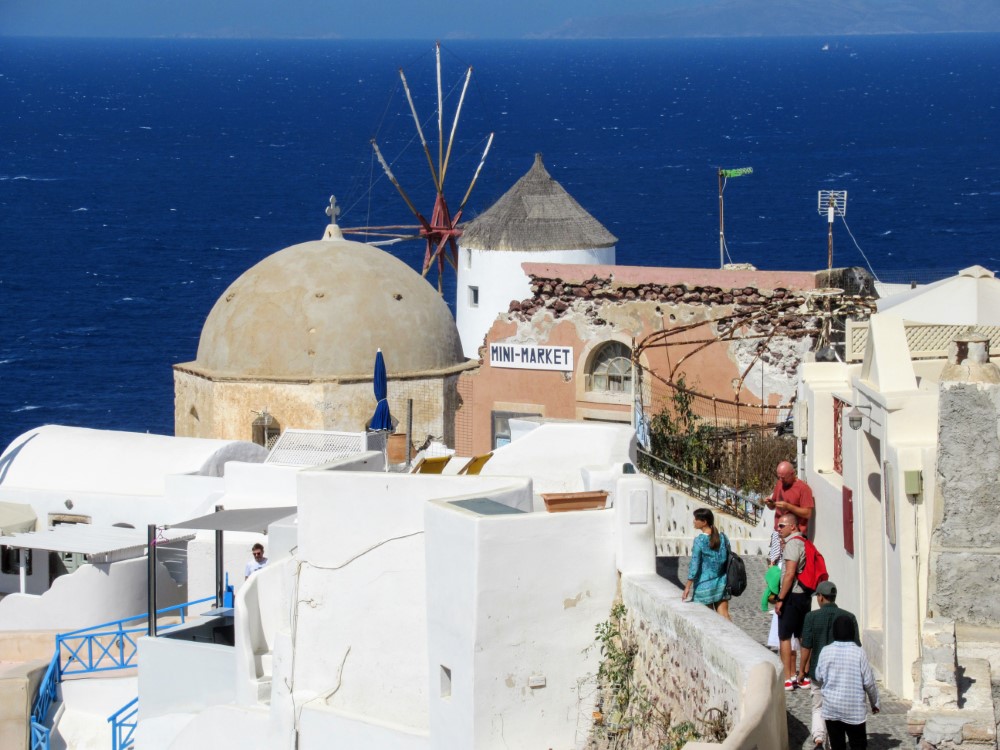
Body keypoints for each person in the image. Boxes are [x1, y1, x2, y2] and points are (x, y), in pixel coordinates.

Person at [800, 581, 861, 748]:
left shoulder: (811, 617)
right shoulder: (849, 617)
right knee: (837, 710)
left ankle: (819, 739)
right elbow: (857, 646)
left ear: (820, 597)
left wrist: (801, 671)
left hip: (817, 671)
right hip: (842, 672)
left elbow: (806, 646)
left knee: (818, 707)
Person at [815, 615, 879, 750]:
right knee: (858, 744)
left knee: (837, 745)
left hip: (831, 708)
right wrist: (874, 703)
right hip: (854, 710)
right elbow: (869, 682)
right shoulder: (859, 652)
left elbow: (818, 676)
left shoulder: (825, 651)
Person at [774, 512, 812, 690]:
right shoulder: (804, 541)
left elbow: (789, 573)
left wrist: (781, 598)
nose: (778, 528)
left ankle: (788, 678)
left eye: (782, 526)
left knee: (784, 636)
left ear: (793, 526)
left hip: (792, 595)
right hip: (804, 594)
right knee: (803, 635)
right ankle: (803, 676)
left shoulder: (792, 544)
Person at [682, 507, 731, 620]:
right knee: (724, 615)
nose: (694, 521)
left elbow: (694, 565)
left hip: (704, 586)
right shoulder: (723, 537)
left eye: (696, 519)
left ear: (704, 522)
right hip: (721, 583)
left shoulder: (699, 541)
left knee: (708, 619)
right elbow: (726, 557)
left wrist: (687, 587)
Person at [765, 461, 814, 563]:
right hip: (778, 533)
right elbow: (773, 506)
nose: (780, 480)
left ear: (792, 473)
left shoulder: (803, 489)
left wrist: (789, 507)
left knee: (789, 567)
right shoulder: (780, 484)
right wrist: (769, 503)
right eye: (779, 477)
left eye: (783, 477)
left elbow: (808, 513)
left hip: (793, 536)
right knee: (775, 564)